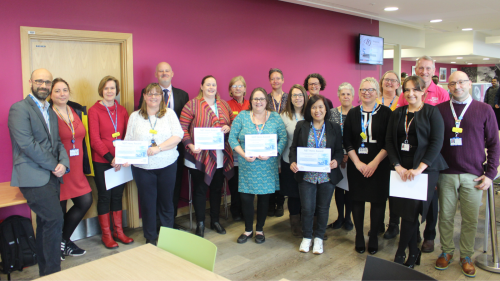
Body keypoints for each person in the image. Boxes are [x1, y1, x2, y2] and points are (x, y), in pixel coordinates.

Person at [435, 71, 500, 278]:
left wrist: (490, 174)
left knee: (470, 219)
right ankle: (446, 251)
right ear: (449, 86)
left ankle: (466, 256)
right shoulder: (439, 110)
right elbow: (433, 145)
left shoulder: (485, 109)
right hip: (446, 173)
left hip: (474, 175)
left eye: (461, 82)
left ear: (469, 84)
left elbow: (494, 144)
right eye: (453, 83)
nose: (457, 87)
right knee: (445, 217)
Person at [8, 69, 69, 276]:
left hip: (52, 175)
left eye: (47, 82)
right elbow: (27, 144)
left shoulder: (50, 111)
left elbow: (58, 142)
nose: (43, 85)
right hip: (33, 176)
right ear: (30, 82)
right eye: (39, 81)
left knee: (46, 223)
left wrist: (63, 163)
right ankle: (54, 273)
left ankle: (48, 273)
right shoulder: (19, 109)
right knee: (54, 219)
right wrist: (54, 165)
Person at [385, 75, 448, 268]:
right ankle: (413, 252)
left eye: (415, 89)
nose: (411, 93)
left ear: (423, 91)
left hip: (425, 170)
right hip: (400, 170)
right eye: (407, 90)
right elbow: (389, 141)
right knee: (405, 212)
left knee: (412, 212)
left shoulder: (432, 112)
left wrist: (420, 168)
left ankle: (401, 252)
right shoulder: (398, 113)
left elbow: (437, 142)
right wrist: (397, 165)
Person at [396, 55, 450, 253]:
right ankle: (413, 235)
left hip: (432, 156)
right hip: (408, 154)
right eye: (421, 68)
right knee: (410, 202)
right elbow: (402, 121)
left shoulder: (442, 93)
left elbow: (440, 131)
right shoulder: (406, 93)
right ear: (416, 69)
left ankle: (429, 235)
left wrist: (426, 163)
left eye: (428, 68)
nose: (424, 72)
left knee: (430, 200)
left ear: (433, 70)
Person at [123, 83, 183, 245]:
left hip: (167, 165)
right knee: (148, 203)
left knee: (166, 202)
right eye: (149, 94)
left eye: (157, 94)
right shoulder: (135, 116)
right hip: (143, 169)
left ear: (161, 97)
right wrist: (124, 158)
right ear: (144, 96)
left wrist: (159, 148)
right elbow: (128, 140)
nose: (153, 97)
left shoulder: (169, 114)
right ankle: (150, 237)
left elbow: (178, 136)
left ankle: (167, 236)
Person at [229, 87, 287, 244]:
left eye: (262, 99)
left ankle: (260, 229)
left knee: (263, 200)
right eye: (255, 99)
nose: (259, 102)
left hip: (267, 166)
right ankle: (248, 230)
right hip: (247, 165)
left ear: (266, 101)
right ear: (251, 101)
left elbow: (283, 138)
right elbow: (232, 138)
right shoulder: (242, 116)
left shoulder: (274, 117)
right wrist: (243, 154)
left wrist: (273, 152)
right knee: (246, 199)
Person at [180, 75, 234, 238]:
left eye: (214, 85)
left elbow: (233, 122)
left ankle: (215, 220)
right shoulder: (192, 105)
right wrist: (190, 145)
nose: (211, 87)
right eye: (208, 84)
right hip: (198, 155)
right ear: (202, 86)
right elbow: (182, 127)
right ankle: (201, 223)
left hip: (219, 155)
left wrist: (228, 127)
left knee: (217, 189)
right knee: (200, 190)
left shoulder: (224, 105)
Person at [343, 77, 392, 255]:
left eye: (370, 89)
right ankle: (358, 235)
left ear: (377, 92)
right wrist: (357, 163)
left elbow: (389, 141)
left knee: (378, 200)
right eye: (363, 89)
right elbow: (347, 141)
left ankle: (373, 236)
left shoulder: (387, 113)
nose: (366, 92)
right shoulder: (353, 113)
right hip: (357, 165)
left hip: (379, 164)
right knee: (357, 199)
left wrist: (374, 163)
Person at [289, 94, 343, 254]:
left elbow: (339, 151)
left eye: (320, 107)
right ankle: (307, 237)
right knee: (307, 208)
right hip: (306, 176)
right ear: (309, 110)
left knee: (323, 208)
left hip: (327, 176)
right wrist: (293, 161)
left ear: (326, 109)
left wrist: (336, 161)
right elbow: (293, 148)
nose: (317, 110)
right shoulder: (301, 125)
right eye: (313, 107)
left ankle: (319, 238)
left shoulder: (334, 127)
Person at [138, 62, 189, 230]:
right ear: (156, 74)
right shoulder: (147, 94)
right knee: (152, 194)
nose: (164, 73)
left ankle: (169, 223)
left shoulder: (183, 95)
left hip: (175, 151)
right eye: (161, 71)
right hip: (151, 153)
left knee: (172, 189)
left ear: (172, 73)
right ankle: (155, 226)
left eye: (167, 70)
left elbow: (186, 124)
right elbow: (142, 120)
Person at [50, 78, 93, 259]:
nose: (62, 94)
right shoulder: (47, 114)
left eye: (65, 90)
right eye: (57, 91)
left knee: (85, 202)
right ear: (51, 94)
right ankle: (58, 246)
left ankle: (62, 241)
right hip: (59, 169)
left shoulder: (75, 110)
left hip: (76, 168)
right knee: (58, 212)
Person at [88, 75, 133, 249]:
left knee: (118, 196)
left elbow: (127, 136)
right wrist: (110, 158)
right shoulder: (94, 110)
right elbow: (94, 139)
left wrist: (123, 157)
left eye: (112, 88)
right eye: (106, 88)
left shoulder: (122, 110)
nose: (109, 91)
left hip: (120, 161)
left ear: (117, 90)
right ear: (101, 90)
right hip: (102, 161)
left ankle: (119, 232)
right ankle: (106, 235)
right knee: (105, 197)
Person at [280, 84, 309, 236]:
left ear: (305, 96)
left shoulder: (311, 113)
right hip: (289, 161)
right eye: (294, 95)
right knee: (293, 193)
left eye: (300, 95)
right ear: (290, 98)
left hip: (309, 161)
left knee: (308, 192)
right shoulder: (283, 115)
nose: (297, 98)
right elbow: (280, 139)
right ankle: (295, 222)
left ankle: (307, 219)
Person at [376, 70, 401, 239]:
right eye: (386, 79)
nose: (389, 83)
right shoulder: (374, 100)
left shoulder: (402, 101)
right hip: (376, 151)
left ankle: (393, 224)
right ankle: (377, 222)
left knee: (394, 192)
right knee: (379, 189)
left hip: (395, 151)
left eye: (393, 80)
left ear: (398, 84)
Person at [328, 82, 355, 231]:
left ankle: (348, 218)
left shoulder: (357, 113)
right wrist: (340, 155)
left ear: (353, 96)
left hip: (353, 158)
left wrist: (348, 154)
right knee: (338, 188)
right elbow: (329, 135)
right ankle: (339, 217)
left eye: (348, 94)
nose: (345, 96)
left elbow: (359, 137)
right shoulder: (332, 113)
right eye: (342, 94)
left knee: (349, 189)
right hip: (336, 158)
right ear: (338, 96)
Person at [226, 76, 250, 221]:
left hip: (249, 150)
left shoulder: (251, 104)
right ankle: (235, 210)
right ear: (230, 90)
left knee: (246, 181)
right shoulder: (226, 105)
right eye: (234, 86)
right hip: (233, 151)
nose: (238, 89)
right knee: (234, 182)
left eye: (240, 86)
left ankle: (246, 209)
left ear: (245, 89)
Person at [268, 68, 288, 217]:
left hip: (285, 139)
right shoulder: (265, 98)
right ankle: (270, 203)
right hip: (268, 139)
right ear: (270, 81)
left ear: (283, 80)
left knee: (282, 173)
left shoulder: (289, 97)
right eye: (273, 78)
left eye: (278, 78)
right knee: (270, 171)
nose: (275, 81)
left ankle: (280, 203)